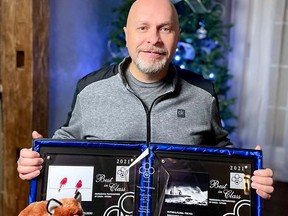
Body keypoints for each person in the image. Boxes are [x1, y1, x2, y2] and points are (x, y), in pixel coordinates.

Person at [17, 0, 273, 199]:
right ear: (127, 35)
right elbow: (64, 145)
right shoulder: (90, 89)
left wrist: (250, 173)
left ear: (177, 36)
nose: (154, 39)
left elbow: (222, 153)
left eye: (165, 28)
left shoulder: (202, 94)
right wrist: (35, 160)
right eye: (143, 28)